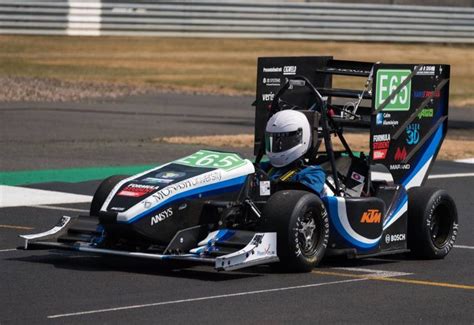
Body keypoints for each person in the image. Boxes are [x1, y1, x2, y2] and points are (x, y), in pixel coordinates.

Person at [262, 110, 326, 196]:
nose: (278, 145)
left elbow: (299, 200)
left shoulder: (313, 173)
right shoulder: (267, 168)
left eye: (284, 141)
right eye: (275, 140)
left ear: (299, 139)